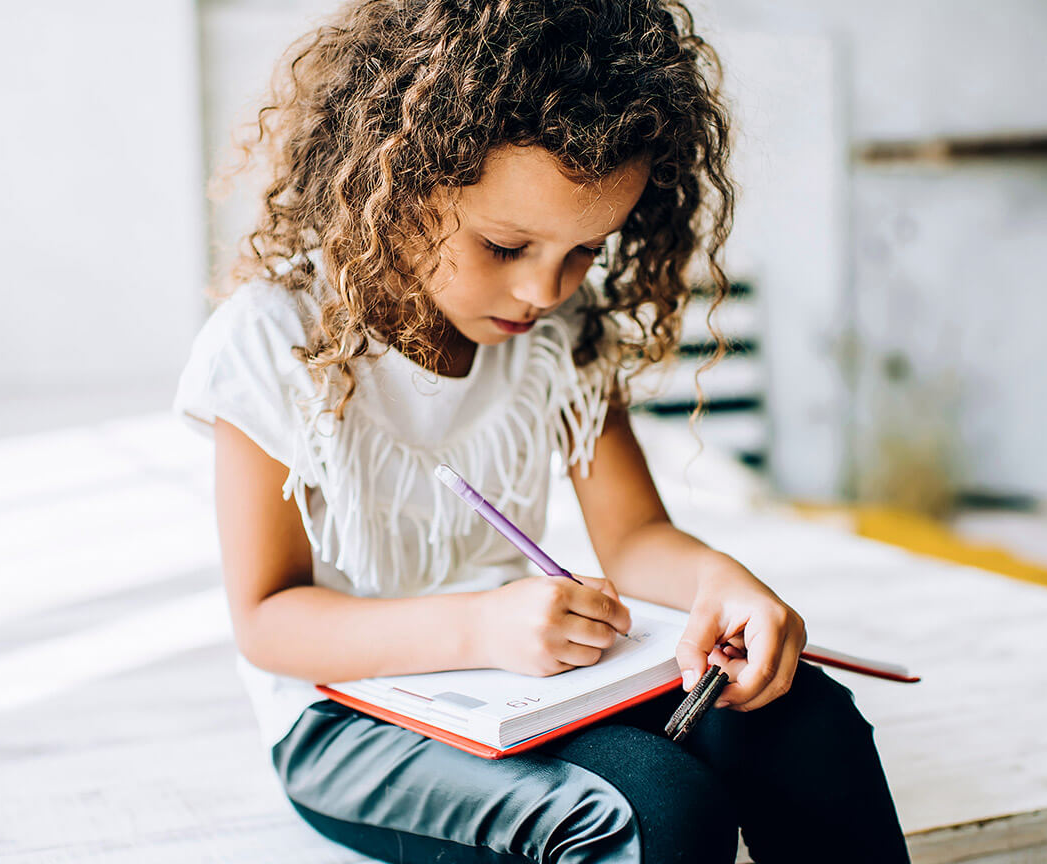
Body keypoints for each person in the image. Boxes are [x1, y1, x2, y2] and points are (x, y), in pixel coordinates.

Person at [174, 0, 910, 860]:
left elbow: (634, 538)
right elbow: (270, 622)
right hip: (347, 717)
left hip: (518, 686)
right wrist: (479, 628)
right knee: (654, 811)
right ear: (403, 185)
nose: (544, 291)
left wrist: (725, 583)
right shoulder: (273, 342)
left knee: (806, 721)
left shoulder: (558, 333)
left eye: (585, 251)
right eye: (505, 246)